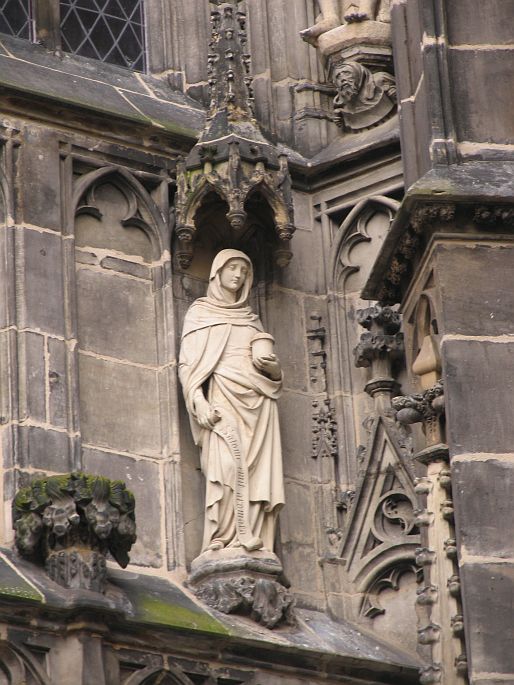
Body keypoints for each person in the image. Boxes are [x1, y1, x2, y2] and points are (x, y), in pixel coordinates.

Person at [179, 249, 285, 554]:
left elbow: (274, 375)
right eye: (232, 268)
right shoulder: (200, 314)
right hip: (222, 399)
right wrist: (198, 402)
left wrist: (273, 370)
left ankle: (255, 538)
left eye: (243, 271)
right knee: (224, 469)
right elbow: (189, 367)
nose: (237, 275)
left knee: (257, 475)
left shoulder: (253, 322)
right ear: (217, 272)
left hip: (260, 404)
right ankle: (223, 536)